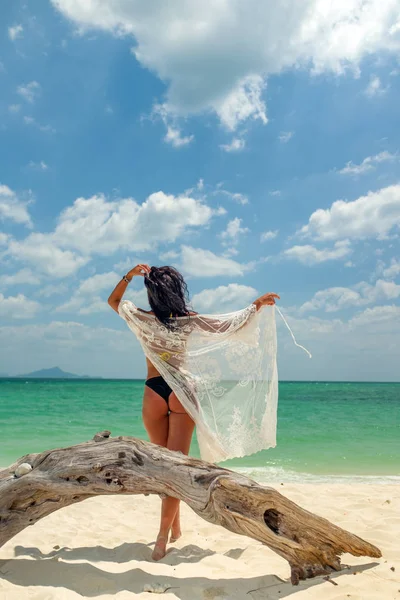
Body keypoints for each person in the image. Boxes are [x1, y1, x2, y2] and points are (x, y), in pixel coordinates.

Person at [108, 264, 279, 560]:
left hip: (153, 391)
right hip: (182, 392)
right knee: (174, 469)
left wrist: (129, 276)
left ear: (151, 293)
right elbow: (227, 326)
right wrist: (254, 306)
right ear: (176, 290)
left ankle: (168, 532)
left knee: (164, 468)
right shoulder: (189, 319)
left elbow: (113, 302)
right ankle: (166, 535)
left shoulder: (142, 318)